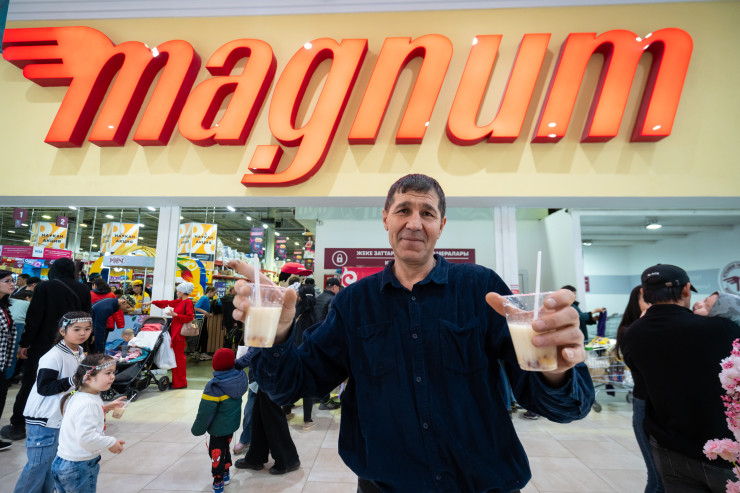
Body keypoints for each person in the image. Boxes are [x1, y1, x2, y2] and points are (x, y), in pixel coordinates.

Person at [228, 174, 593, 492]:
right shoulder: (355, 303)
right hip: (384, 486)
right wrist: (277, 335)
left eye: (427, 213)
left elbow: (557, 405)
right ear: (385, 218)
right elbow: (292, 385)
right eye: (403, 210)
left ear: (441, 224)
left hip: (484, 483)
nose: (414, 223)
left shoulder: (481, 290)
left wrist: (556, 369)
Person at [622, 264, 740, 491]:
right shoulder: (719, 328)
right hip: (719, 448)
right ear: (686, 289)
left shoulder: (633, 334)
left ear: (645, 293)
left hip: (669, 446)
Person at [14, 312, 107, 493]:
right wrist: (74, 379)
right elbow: (44, 387)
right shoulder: (53, 356)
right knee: (38, 467)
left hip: (60, 417)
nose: (83, 333)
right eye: (77, 329)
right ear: (62, 331)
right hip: (44, 419)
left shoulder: (79, 352)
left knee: (52, 467)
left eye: (87, 329)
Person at [2, 258, 92, 442]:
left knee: (32, 383)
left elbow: (34, 317)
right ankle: (68, 423)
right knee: (70, 383)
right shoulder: (83, 289)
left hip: (44, 344)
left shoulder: (45, 287)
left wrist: (25, 343)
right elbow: (87, 316)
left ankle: (18, 425)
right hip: (72, 345)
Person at [51, 353, 125, 493]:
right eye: (108, 373)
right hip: (79, 466)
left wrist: (105, 408)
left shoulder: (80, 395)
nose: (112, 377)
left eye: (113, 373)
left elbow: (80, 418)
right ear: (89, 377)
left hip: (63, 461)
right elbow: (86, 438)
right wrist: (111, 442)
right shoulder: (88, 403)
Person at [614, 286, 663, 493]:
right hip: (645, 402)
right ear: (636, 303)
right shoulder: (630, 331)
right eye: (647, 300)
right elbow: (641, 365)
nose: (653, 305)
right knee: (658, 478)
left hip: (668, 404)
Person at [191, 348, 248, 493]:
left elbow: (205, 411)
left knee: (216, 453)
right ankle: (226, 473)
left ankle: (218, 482)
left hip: (218, 428)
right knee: (225, 448)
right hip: (231, 425)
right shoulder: (240, 378)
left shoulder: (214, 386)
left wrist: (198, 429)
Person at [151, 282, 195, 389]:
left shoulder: (188, 302)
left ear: (183, 292)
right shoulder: (180, 301)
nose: (177, 292)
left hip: (179, 333)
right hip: (175, 331)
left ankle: (180, 383)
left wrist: (175, 314)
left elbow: (190, 317)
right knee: (176, 358)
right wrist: (152, 302)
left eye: (178, 290)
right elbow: (167, 303)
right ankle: (177, 382)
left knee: (179, 359)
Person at [0, 270, 18, 452]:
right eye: (7, 281)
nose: (12, 284)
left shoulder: (5, 306)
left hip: (3, 360)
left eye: (13, 281)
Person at [232, 347, 259, 456]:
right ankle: (246, 439)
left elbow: (251, 354)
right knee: (249, 411)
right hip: (256, 381)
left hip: (271, 381)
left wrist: (234, 363)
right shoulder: (256, 339)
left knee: (271, 414)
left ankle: (272, 442)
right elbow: (251, 352)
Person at [7, 289, 32, 380]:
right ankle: (8, 376)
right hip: (19, 324)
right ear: (27, 297)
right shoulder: (27, 303)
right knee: (13, 351)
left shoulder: (9, 300)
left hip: (6, 322)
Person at [195, 286, 217, 361]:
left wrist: (207, 314)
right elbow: (196, 307)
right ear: (210, 291)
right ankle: (202, 353)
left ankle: (201, 352)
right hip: (200, 320)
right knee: (203, 336)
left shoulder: (206, 298)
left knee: (203, 336)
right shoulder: (204, 298)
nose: (214, 294)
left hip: (203, 319)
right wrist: (206, 313)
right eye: (214, 293)